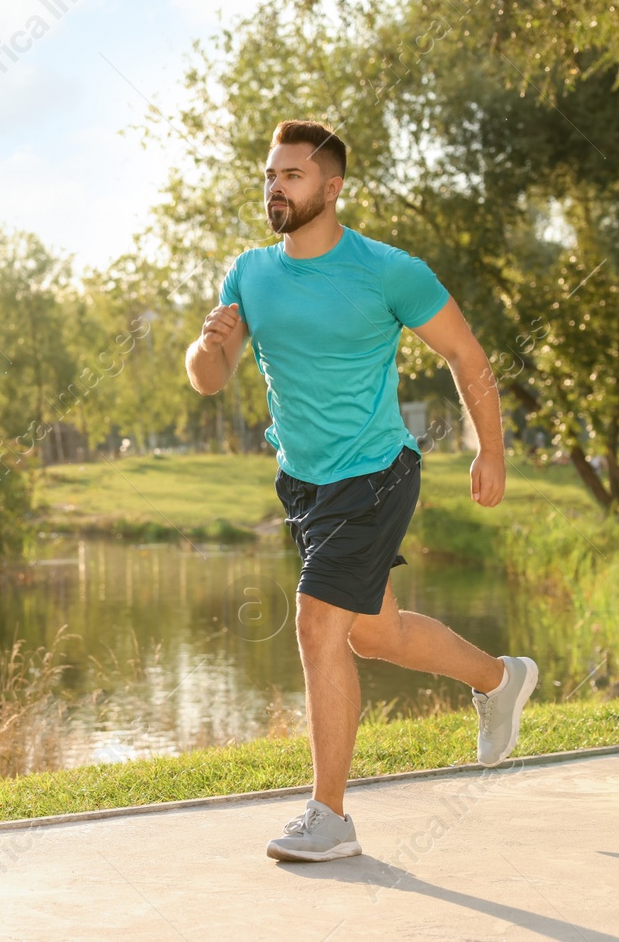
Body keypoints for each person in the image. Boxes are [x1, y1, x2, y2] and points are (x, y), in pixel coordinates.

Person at [184, 120, 538, 863]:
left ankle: (330, 817)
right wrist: (206, 347)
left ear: (332, 186)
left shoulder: (389, 270)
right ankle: (499, 679)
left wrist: (492, 448)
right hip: (304, 485)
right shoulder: (250, 272)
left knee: (317, 624)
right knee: (376, 633)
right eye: (270, 175)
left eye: (292, 175)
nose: (276, 187)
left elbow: (464, 355)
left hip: (377, 474)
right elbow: (210, 377)